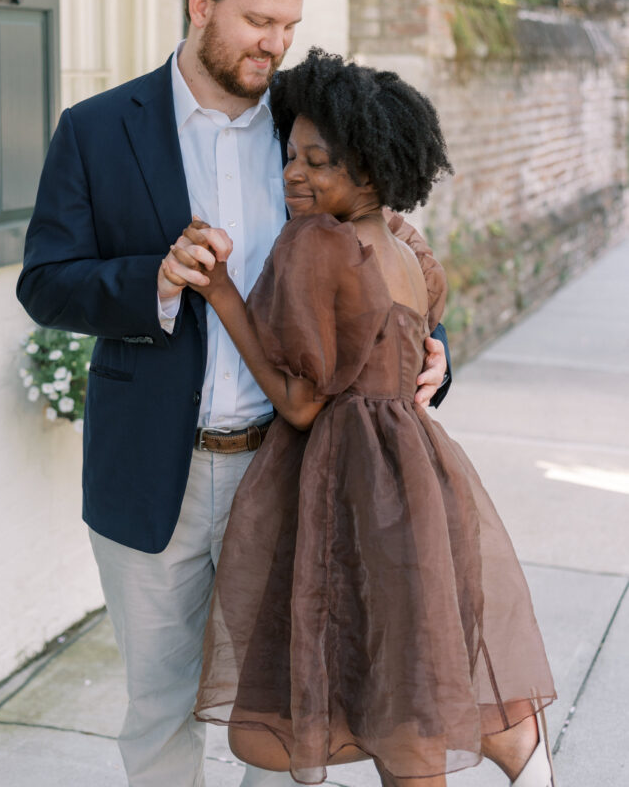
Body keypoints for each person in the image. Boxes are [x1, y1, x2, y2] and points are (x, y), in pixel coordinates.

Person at [16, 0, 451, 787]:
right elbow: (47, 281)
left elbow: (386, 242)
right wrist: (158, 278)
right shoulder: (98, 128)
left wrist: (434, 347)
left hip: (291, 466)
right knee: (160, 704)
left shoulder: (312, 125)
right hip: (150, 474)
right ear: (201, 4)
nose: (276, 44)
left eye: (289, 24)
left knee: (290, 707)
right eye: (259, 22)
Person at [168, 49, 557, 787]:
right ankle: (522, 753)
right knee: (405, 680)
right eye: (290, 156)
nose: (294, 175)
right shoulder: (407, 248)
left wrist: (222, 297)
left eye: (318, 162)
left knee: (345, 677)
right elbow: (411, 341)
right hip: (417, 480)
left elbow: (302, 401)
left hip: (347, 481)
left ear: (371, 173)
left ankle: (514, 754)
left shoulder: (314, 246)